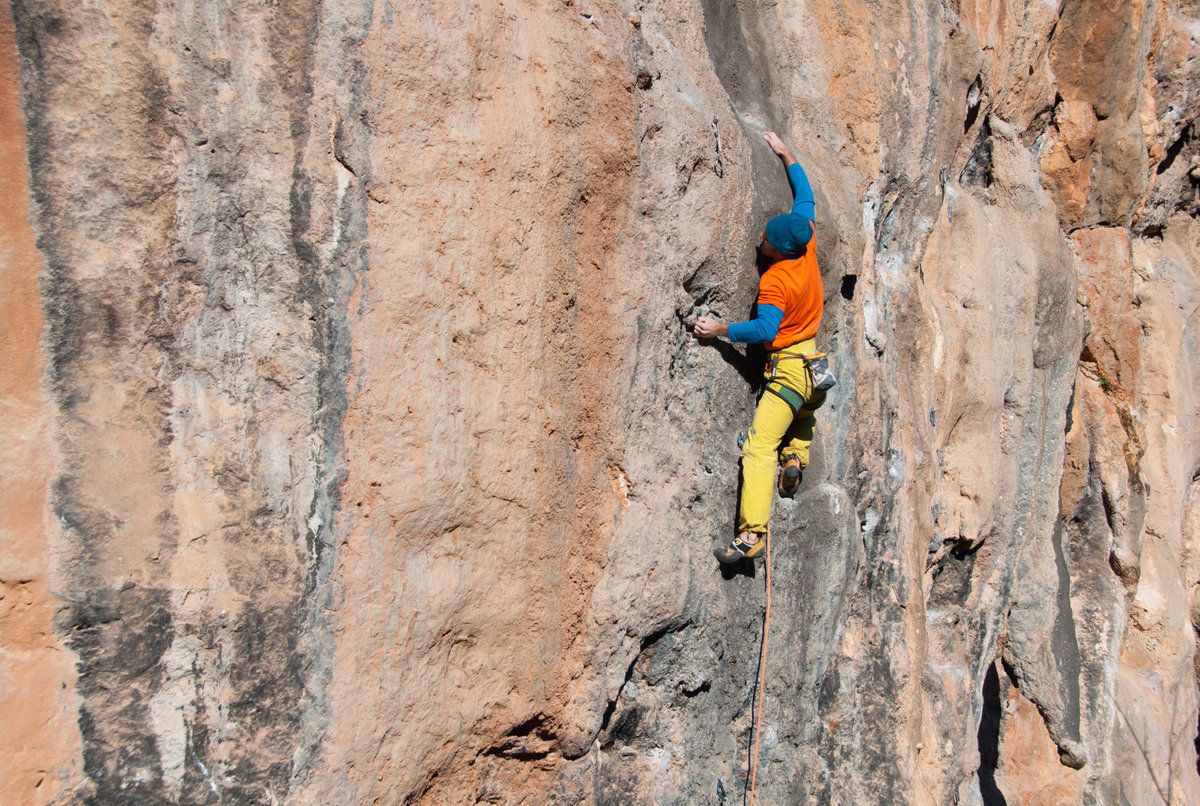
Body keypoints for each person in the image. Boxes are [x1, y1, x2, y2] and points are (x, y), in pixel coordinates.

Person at [694, 131, 826, 564]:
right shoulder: (804, 235)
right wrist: (787, 152)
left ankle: (752, 535)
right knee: (802, 417)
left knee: (757, 447)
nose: (761, 243)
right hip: (817, 372)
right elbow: (804, 194)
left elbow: (765, 330)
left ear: (780, 251)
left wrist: (721, 330)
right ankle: (798, 457)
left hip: (789, 372)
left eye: (767, 242)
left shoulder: (775, 282)